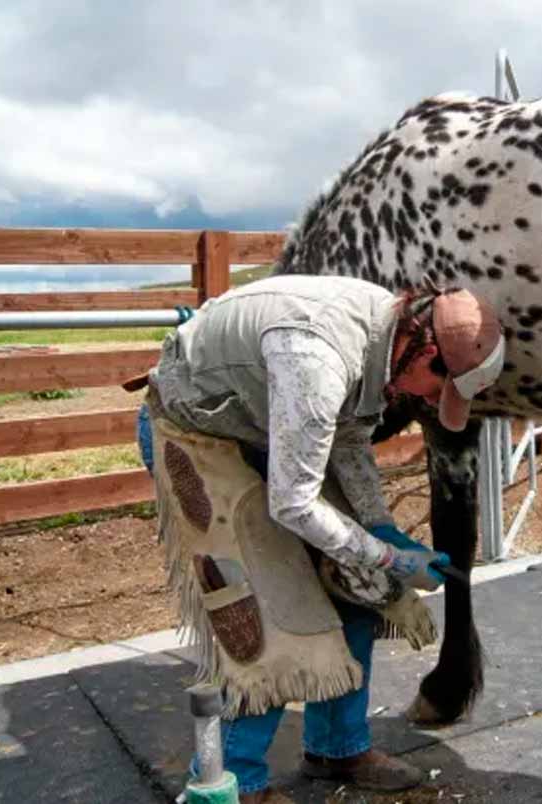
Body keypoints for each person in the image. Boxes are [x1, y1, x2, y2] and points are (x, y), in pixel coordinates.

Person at [128, 274, 505, 803]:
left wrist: (381, 530)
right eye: (439, 388)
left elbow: (350, 435)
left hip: (268, 422)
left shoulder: (384, 337)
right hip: (201, 433)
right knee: (267, 607)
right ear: (424, 350)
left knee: (354, 584)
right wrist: (393, 557)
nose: (430, 401)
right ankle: (237, 782)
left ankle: (338, 746)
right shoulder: (318, 356)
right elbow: (294, 503)